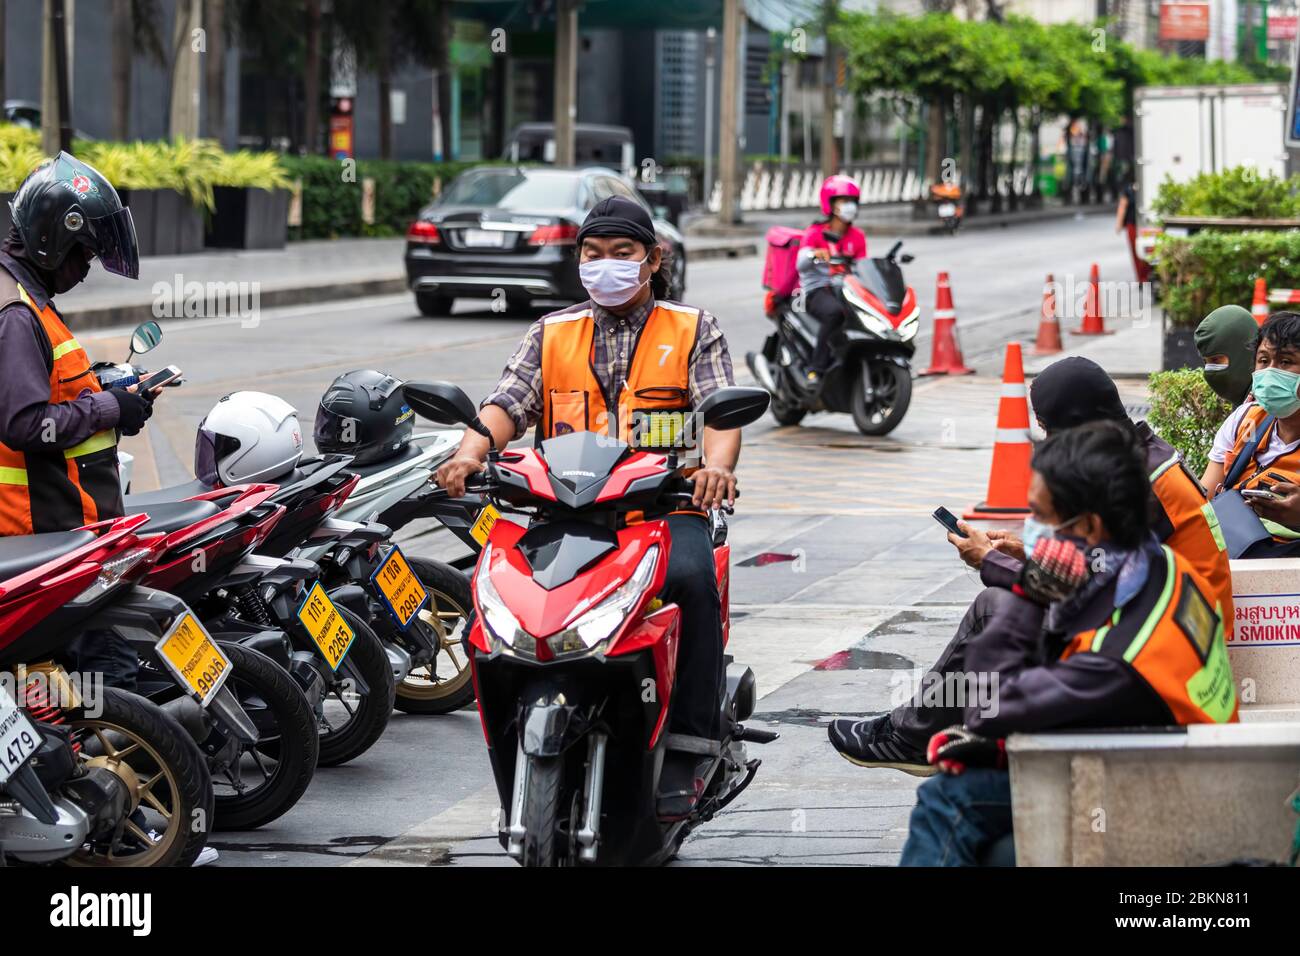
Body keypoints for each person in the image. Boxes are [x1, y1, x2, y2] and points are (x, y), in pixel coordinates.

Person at [433, 195, 739, 819]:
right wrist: (469, 453)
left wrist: (717, 468)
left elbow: (719, 412)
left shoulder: (692, 328)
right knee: (497, 592)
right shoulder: (551, 332)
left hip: (662, 512)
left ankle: (694, 743)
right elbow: (505, 405)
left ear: (654, 259)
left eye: (622, 254)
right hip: (562, 513)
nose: (607, 265)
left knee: (692, 582)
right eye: (593, 254)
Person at [828, 356, 1232, 773]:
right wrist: (1023, 554)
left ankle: (911, 737)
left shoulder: (1135, 483)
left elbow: (1085, 589)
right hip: (1176, 623)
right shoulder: (1141, 457)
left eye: (1047, 427)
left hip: (1170, 647)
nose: (1047, 439)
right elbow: (1101, 571)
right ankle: (925, 730)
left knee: (993, 608)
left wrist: (990, 560)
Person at [898, 421, 1236, 866]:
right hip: (1164, 764)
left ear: (1090, 526)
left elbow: (985, 708)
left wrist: (1032, 590)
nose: (1032, 528)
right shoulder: (1162, 565)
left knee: (947, 798)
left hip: (1157, 805)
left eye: (1042, 515)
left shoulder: (1117, 662)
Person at [0, 152, 152, 690]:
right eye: (83, 251)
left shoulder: (27, 297)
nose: (87, 266)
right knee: (110, 684)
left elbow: (51, 388)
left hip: (71, 532)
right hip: (48, 537)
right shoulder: (16, 315)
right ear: (51, 239)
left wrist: (113, 395)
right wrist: (110, 408)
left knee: (90, 679)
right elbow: (25, 425)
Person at [1203, 311, 1300, 553]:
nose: (1270, 372)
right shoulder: (1245, 420)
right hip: (1234, 553)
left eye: (1285, 362)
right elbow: (1203, 500)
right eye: (1263, 361)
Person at [796, 174, 867, 385]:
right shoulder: (814, 233)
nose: (850, 206)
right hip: (815, 291)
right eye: (844, 201)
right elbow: (800, 263)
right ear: (830, 204)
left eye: (853, 201)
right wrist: (814, 254)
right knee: (835, 313)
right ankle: (816, 370)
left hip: (846, 289)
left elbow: (863, 267)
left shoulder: (857, 236)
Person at [1195, 304, 1257, 407]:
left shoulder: (1268, 407)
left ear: (1244, 354)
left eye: (1215, 360)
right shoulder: (1244, 402)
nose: (1208, 370)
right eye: (1205, 362)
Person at [1115, 177, 1152, 284]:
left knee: (1146, 252)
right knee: (1135, 251)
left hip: (1146, 225)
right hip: (1132, 225)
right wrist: (1119, 224)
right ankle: (1141, 278)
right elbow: (1122, 206)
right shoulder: (1128, 190)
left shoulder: (1148, 186)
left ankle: (1147, 276)